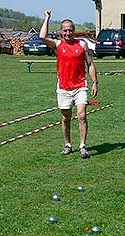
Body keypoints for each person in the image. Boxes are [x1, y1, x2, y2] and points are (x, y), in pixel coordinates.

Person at [40, 10, 98, 159]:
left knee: (82, 115)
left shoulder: (82, 44)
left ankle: (83, 146)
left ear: (74, 31)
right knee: (66, 117)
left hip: (80, 86)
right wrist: (47, 18)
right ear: (61, 31)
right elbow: (42, 36)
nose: (68, 33)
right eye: (65, 30)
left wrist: (94, 82)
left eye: (70, 30)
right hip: (64, 87)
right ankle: (67, 145)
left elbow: (90, 64)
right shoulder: (58, 44)